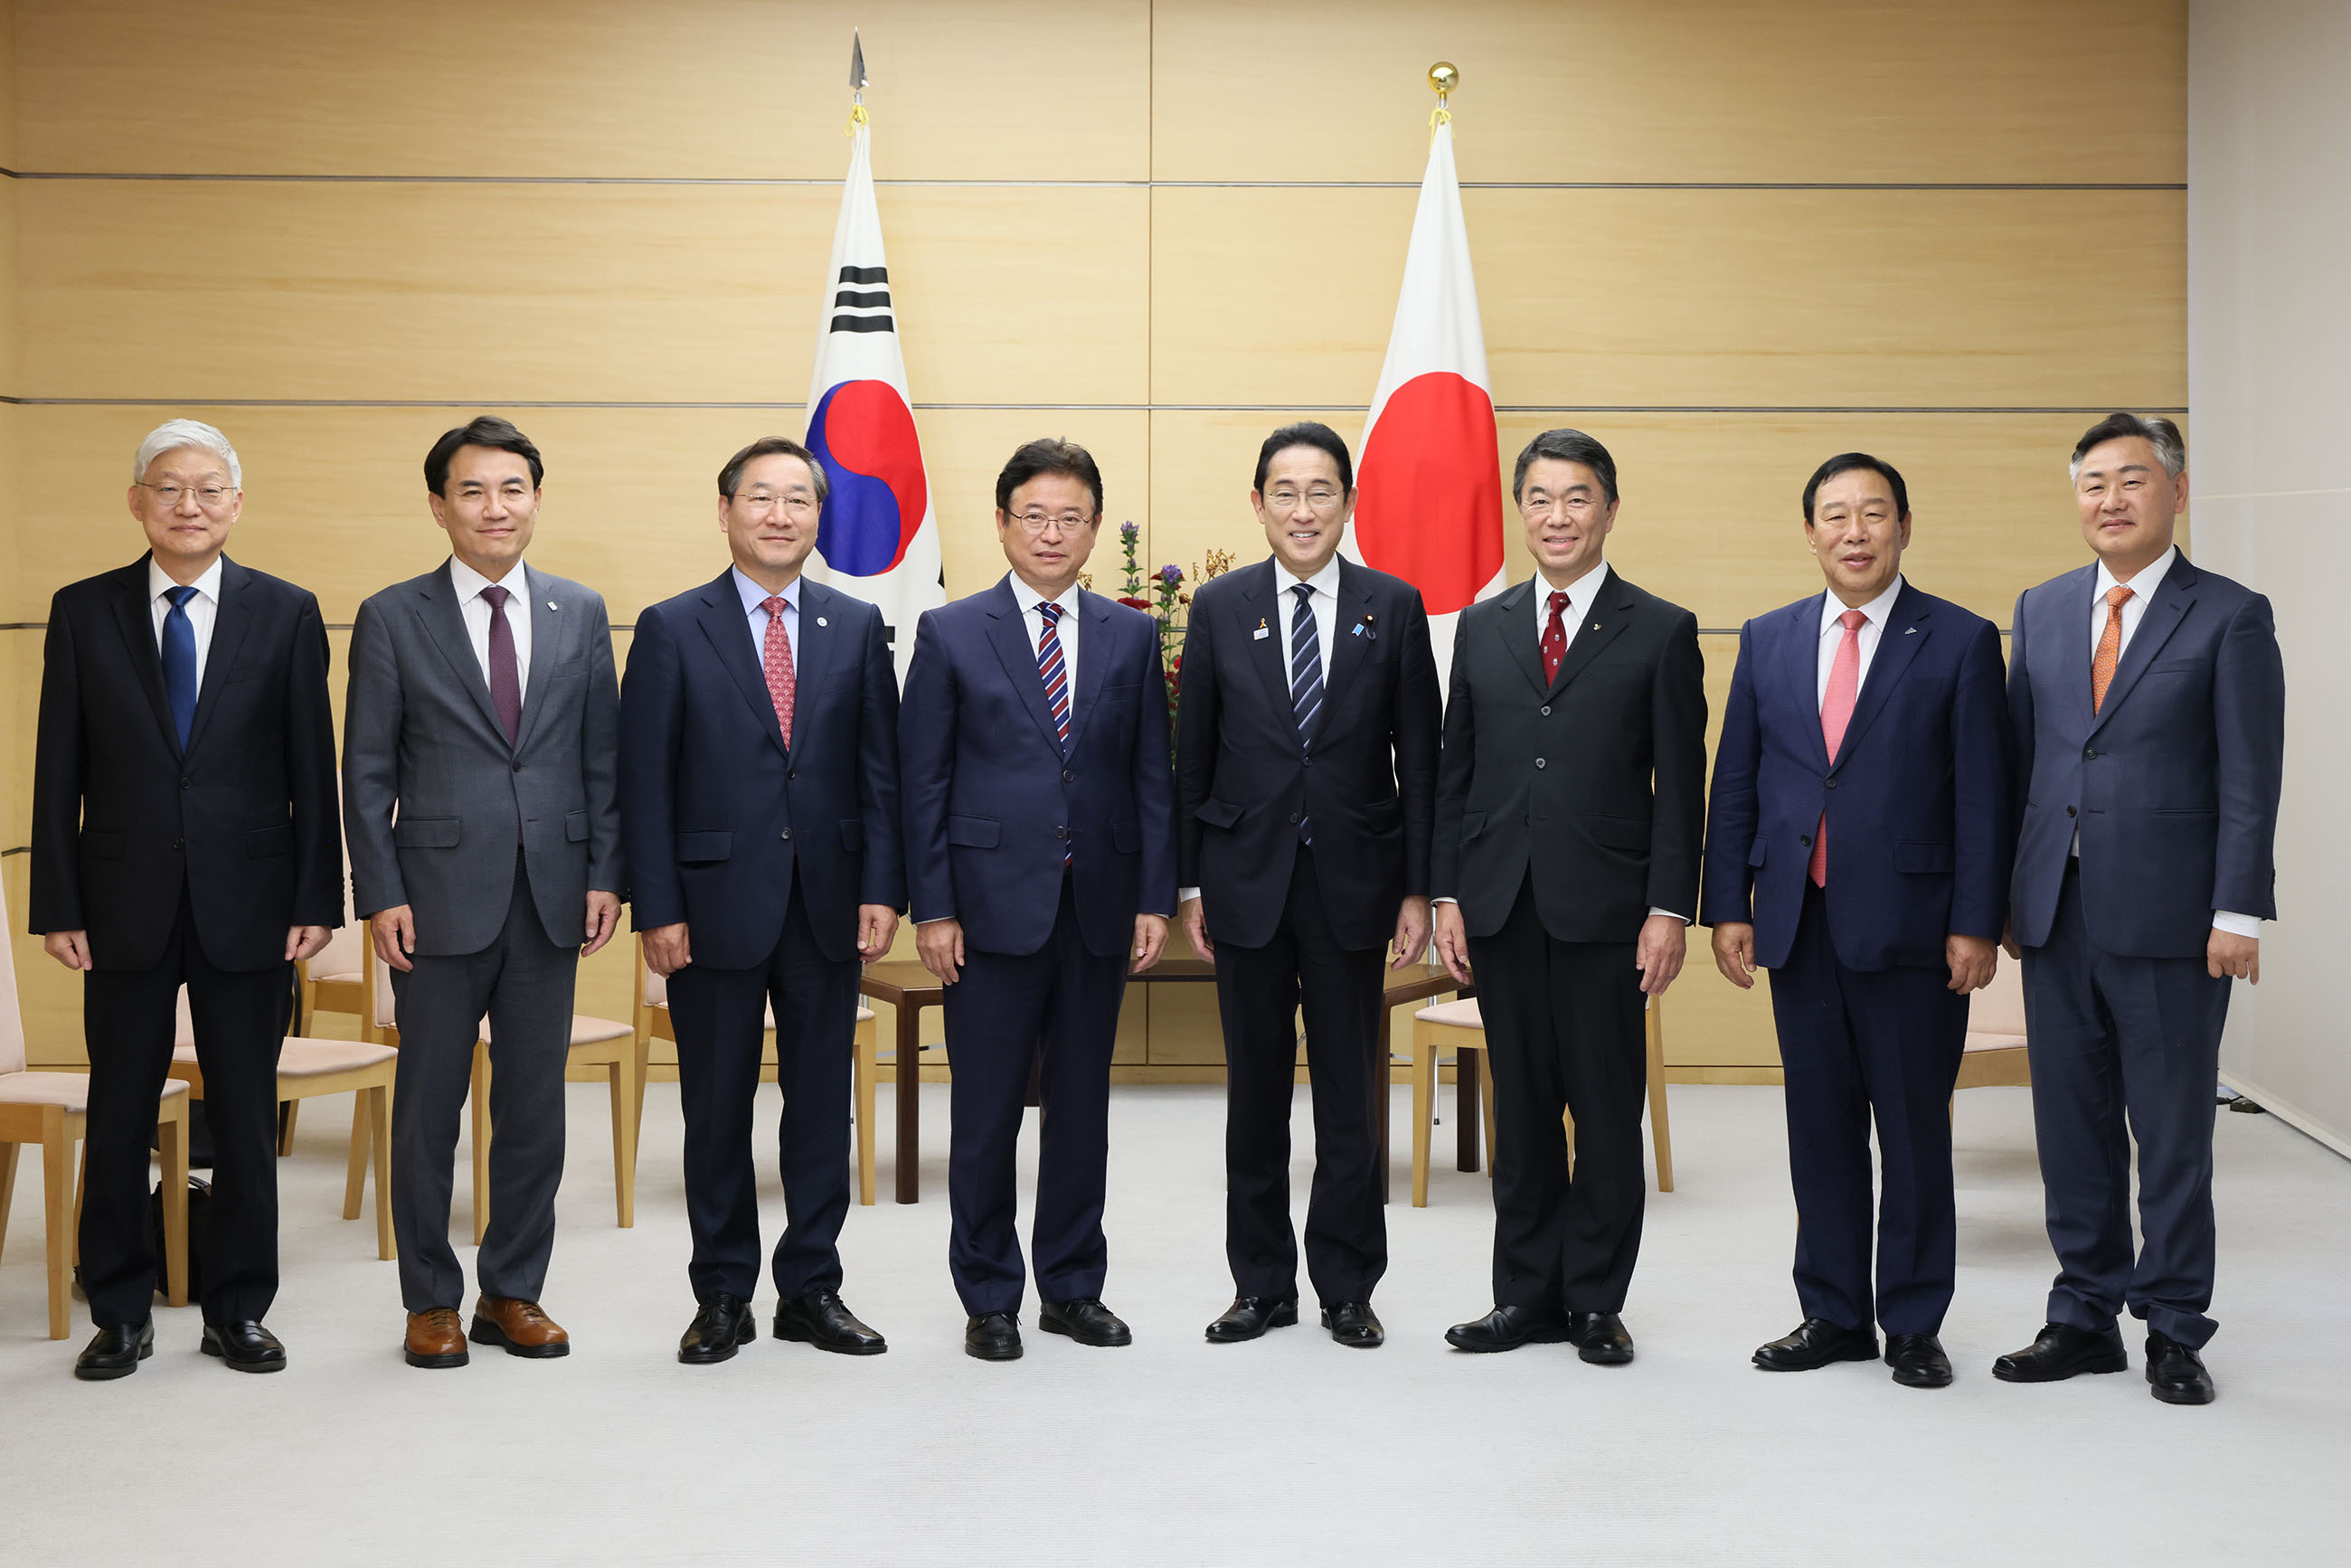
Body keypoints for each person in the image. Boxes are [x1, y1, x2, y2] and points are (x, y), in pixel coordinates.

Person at [29, 420, 341, 1380]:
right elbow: (58, 768)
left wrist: (316, 896)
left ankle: (238, 1310)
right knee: (119, 1110)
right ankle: (119, 1312)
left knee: (244, 1114)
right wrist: (57, 902)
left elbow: (312, 767)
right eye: (168, 488)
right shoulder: (83, 610)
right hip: (120, 903)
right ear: (137, 502)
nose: (188, 505)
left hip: (252, 903)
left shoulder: (286, 611)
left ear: (236, 504)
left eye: (208, 489)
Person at [1701, 453, 2010, 1389]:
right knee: (1820, 1129)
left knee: (1912, 1134)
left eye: (1873, 513)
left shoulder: (1958, 639)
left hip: (1914, 929)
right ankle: (1832, 1313)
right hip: (1798, 922)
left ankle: (1912, 1323)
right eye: (1834, 515)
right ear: (1809, 534)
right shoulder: (1768, 637)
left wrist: (1975, 921)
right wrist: (1728, 906)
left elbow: (1983, 795)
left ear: (1903, 527)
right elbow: (1737, 780)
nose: (1854, 531)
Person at [1995, 413, 2282, 1405]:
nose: (2109, 500)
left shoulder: (2230, 615)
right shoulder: (2040, 608)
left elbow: (2249, 777)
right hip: (2054, 909)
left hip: (2174, 918)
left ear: (2176, 491)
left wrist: (2238, 909)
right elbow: (2020, 764)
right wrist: (2004, 896)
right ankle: (2082, 1314)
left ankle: (2172, 1325)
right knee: (2070, 1127)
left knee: (2169, 1135)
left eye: (2131, 480)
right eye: (2092, 484)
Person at [344, 416, 623, 1370]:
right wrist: (379, 892)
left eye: (512, 489)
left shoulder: (580, 610)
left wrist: (605, 873)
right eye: (472, 490)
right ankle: (430, 1300)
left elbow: (601, 760)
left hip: (551, 895)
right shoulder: (393, 615)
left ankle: (512, 1290)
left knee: (535, 1110)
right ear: (439, 506)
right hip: (433, 900)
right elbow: (366, 770)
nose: (494, 507)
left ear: (536, 500)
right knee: (428, 1110)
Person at [619, 437, 904, 1365]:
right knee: (716, 1109)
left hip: (828, 904)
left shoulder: (854, 624)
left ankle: (811, 1289)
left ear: (819, 517)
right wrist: (656, 907)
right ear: (725, 510)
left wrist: (882, 888)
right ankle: (722, 1294)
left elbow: (880, 772)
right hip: (708, 908)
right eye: (761, 497)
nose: (780, 515)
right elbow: (644, 782)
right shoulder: (672, 626)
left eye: (798, 500)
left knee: (820, 1107)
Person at [1430, 429, 1705, 1365]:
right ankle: (1523, 1297)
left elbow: (1682, 786)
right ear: (1521, 511)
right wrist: (1448, 893)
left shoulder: (1660, 629)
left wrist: (1668, 908)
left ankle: (1594, 1301)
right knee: (1521, 1114)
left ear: (1610, 511)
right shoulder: (1483, 625)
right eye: (1540, 499)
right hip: (1501, 904)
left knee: (1605, 1112)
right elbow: (1455, 772)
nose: (1558, 517)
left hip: (1609, 913)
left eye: (1577, 498)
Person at [898, 437, 1176, 1362]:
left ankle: (1071, 1287)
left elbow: (1150, 776)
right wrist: (933, 908)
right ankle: (988, 1296)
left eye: (1071, 518)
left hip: (1097, 907)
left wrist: (1153, 897)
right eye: (1035, 516)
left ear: (1094, 530)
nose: (1052, 533)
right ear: (1001, 523)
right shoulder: (950, 631)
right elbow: (923, 783)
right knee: (984, 1115)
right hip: (984, 912)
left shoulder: (1130, 635)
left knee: (1080, 1109)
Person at [1174, 421, 1440, 1349]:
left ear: (1348, 503)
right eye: (1283, 492)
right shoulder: (1219, 607)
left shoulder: (1391, 606)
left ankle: (1346, 1287)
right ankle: (1260, 1285)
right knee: (1253, 1097)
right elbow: (1192, 758)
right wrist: (1188, 885)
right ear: (1258, 505)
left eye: (1320, 491)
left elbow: (1420, 759)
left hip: (1354, 885)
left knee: (1347, 1099)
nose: (1302, 510)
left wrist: (1418, 887)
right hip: (1244, 883)